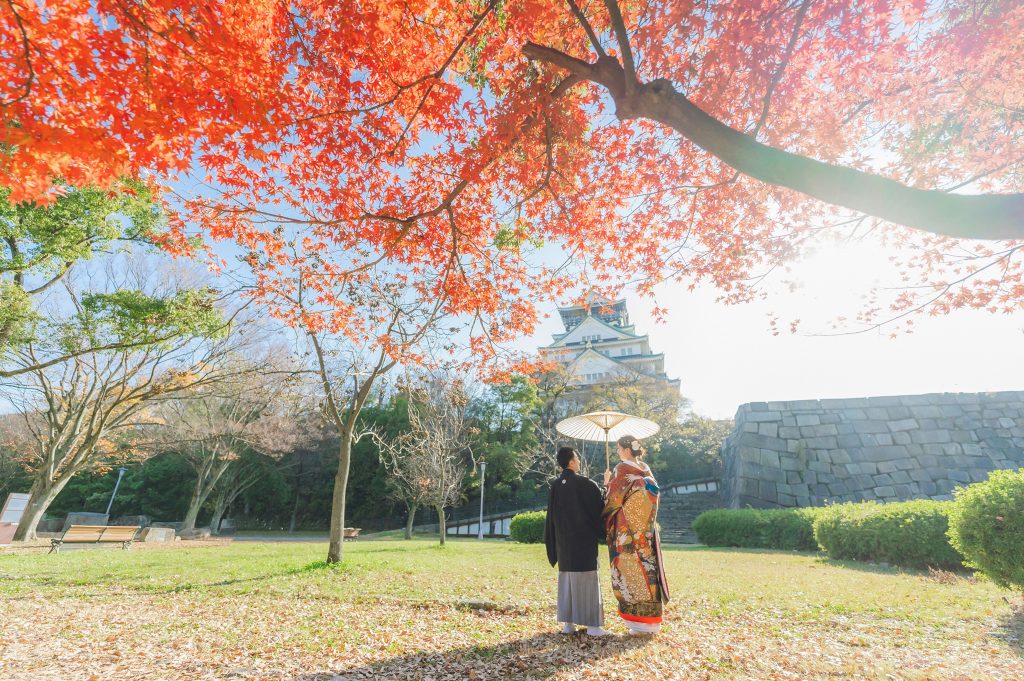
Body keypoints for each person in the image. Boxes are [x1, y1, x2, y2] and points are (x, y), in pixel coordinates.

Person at [602, 434, 670, 635]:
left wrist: (607, 483)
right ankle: (651, 622)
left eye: (617, 448)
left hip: (627, 531)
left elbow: (613, 499)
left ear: (624, 449)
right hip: (645, 531)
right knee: (648, 570)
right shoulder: (646, 469)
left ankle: (639, 624)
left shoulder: (622, 468)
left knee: (630, 570)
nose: (617, 452)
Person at [544, 446, 613, 637]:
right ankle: (593, 627)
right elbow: (601, 509)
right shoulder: (586, 484)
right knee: (588, 581)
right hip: (583, 544)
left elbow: (551, 518)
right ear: (572, 462)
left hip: (564, 545)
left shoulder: (556, 486)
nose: (580, 461)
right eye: (577, 458)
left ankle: (568, 624)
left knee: (567, 583)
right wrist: (607, 484)